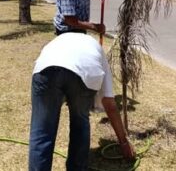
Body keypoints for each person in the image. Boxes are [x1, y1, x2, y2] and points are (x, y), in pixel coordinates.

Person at [29, 33, 135, 171]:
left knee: (42, 131)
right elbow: (110, 104)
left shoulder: (63, 39)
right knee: (80, 122)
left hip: (46, 68)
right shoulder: (99, 55)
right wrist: (124, 142)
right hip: (85, 72)